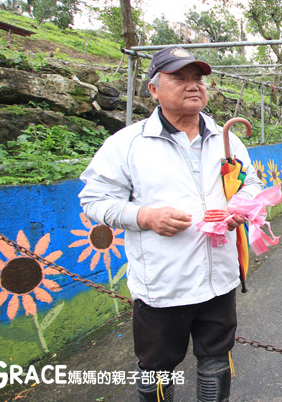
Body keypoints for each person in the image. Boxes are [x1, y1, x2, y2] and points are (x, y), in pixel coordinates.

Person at [78, 46, 262, 402]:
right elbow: (93, 200)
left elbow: (249, 184)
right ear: (153, 89)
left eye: (198, 78)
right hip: (163, 285)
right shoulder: (127, 145)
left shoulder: (227, 139)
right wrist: (144, 216)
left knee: (215, 357)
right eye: (179, 77)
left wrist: (240, 207)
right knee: (157, 365)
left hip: (219, 279)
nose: (193, 85)